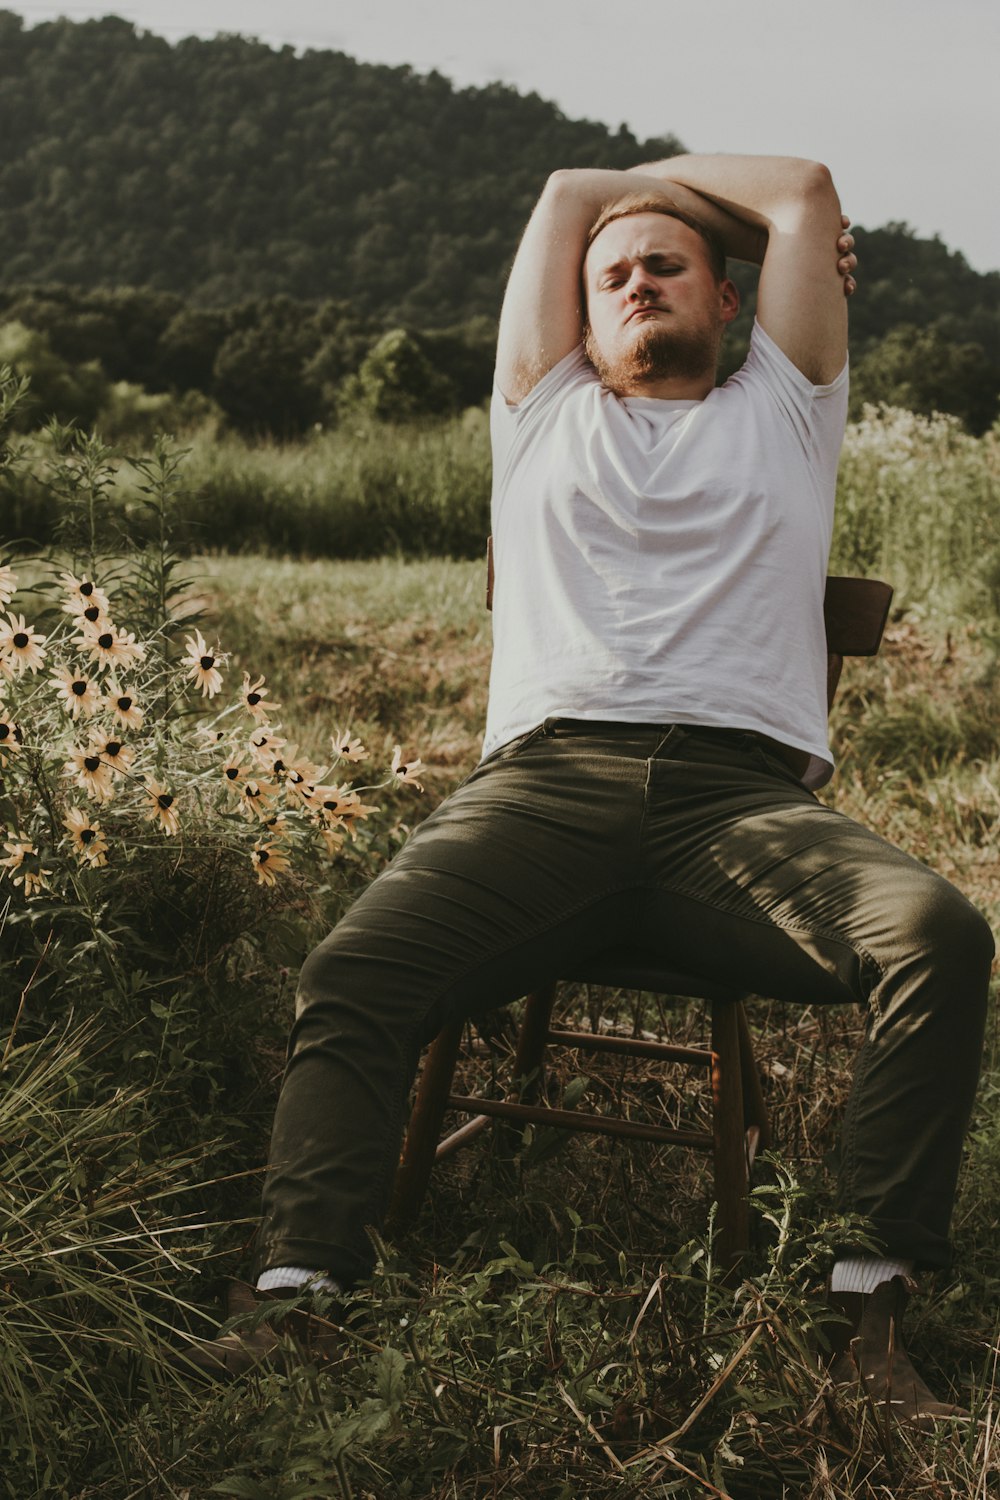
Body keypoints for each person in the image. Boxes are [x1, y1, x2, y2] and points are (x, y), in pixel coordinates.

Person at [183, 154, 994, 1424]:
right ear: (577, 307)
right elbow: (569, 188)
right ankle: (298, 1294)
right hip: (544, 792)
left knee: (937, 933)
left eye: (665, 266)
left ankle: (866, 1317)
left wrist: (776, 238)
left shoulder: (785, 408)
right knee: (352, 972)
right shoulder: (541, 408)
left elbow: (806, 195)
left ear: (733, 302)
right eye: (610, 276)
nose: (631, 283)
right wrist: (654, 208)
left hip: (740, 810)